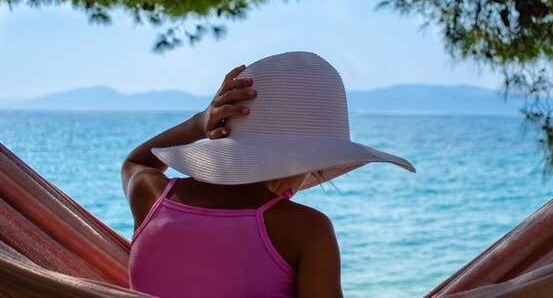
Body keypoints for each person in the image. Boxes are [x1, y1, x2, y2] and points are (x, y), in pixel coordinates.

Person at [122, 51, 415, 298]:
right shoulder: (308, 231)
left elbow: (135, 162)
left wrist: (199, 123)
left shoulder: (152, 199)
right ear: (307, 164)